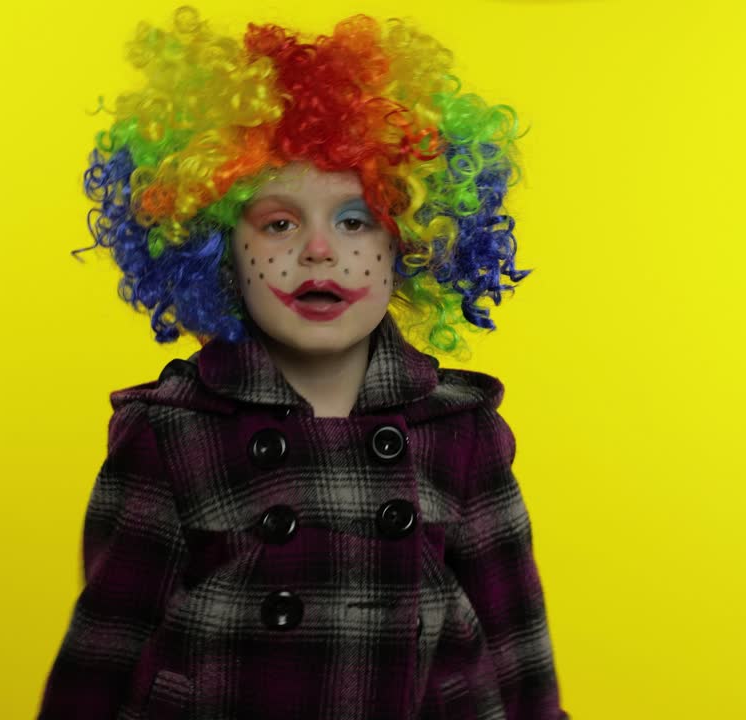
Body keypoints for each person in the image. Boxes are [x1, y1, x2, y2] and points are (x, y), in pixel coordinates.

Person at [38, 7, 570, 719]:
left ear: (409, 240)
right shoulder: (171, 433)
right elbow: (103, 651)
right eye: (279, 222)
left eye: (355, 219)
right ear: (216, 246)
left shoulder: (461, 432)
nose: (319, 251)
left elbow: (518, 651)